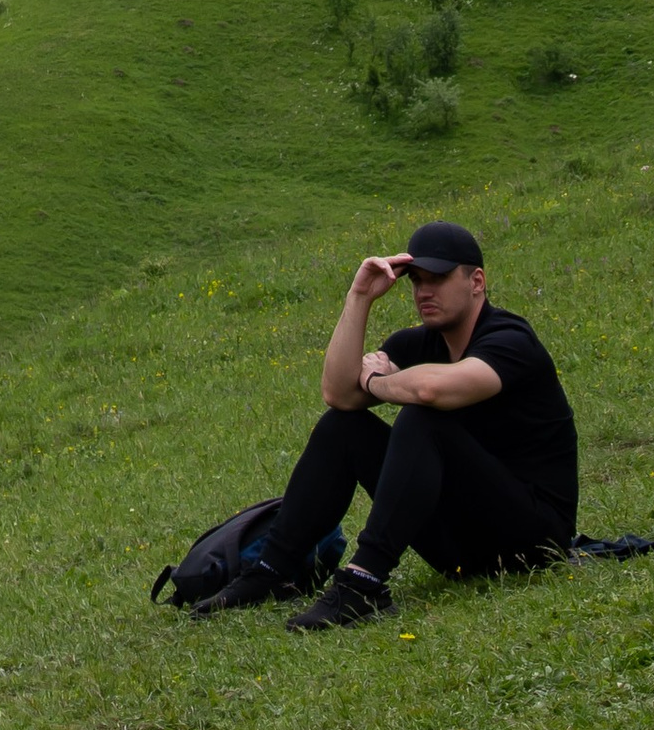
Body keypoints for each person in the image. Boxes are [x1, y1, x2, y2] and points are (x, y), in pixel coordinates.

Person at [196, 217, 579, 628]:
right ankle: (274, 570)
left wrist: (377, 380)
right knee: (343, 426)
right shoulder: (417, 343)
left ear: (477, 281)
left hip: (532, 542)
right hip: (461, 546)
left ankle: (364, 583)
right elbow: (340, 393)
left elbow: (432, 391)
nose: (423, 290)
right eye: (415, 279)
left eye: (438, 277)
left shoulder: (510, 339)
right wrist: (359, 297)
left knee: (423, 418)